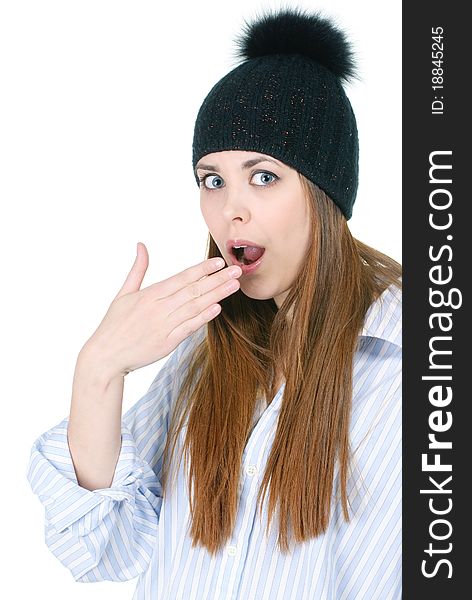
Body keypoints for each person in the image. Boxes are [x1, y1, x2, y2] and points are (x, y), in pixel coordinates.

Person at [27, 7, 401, 599]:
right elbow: (103, 548)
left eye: (264, 177)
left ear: (326, 192)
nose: (231, 209)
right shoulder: (203, 352)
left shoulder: (417, 365)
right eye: (212, 179)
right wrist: (100, 369)